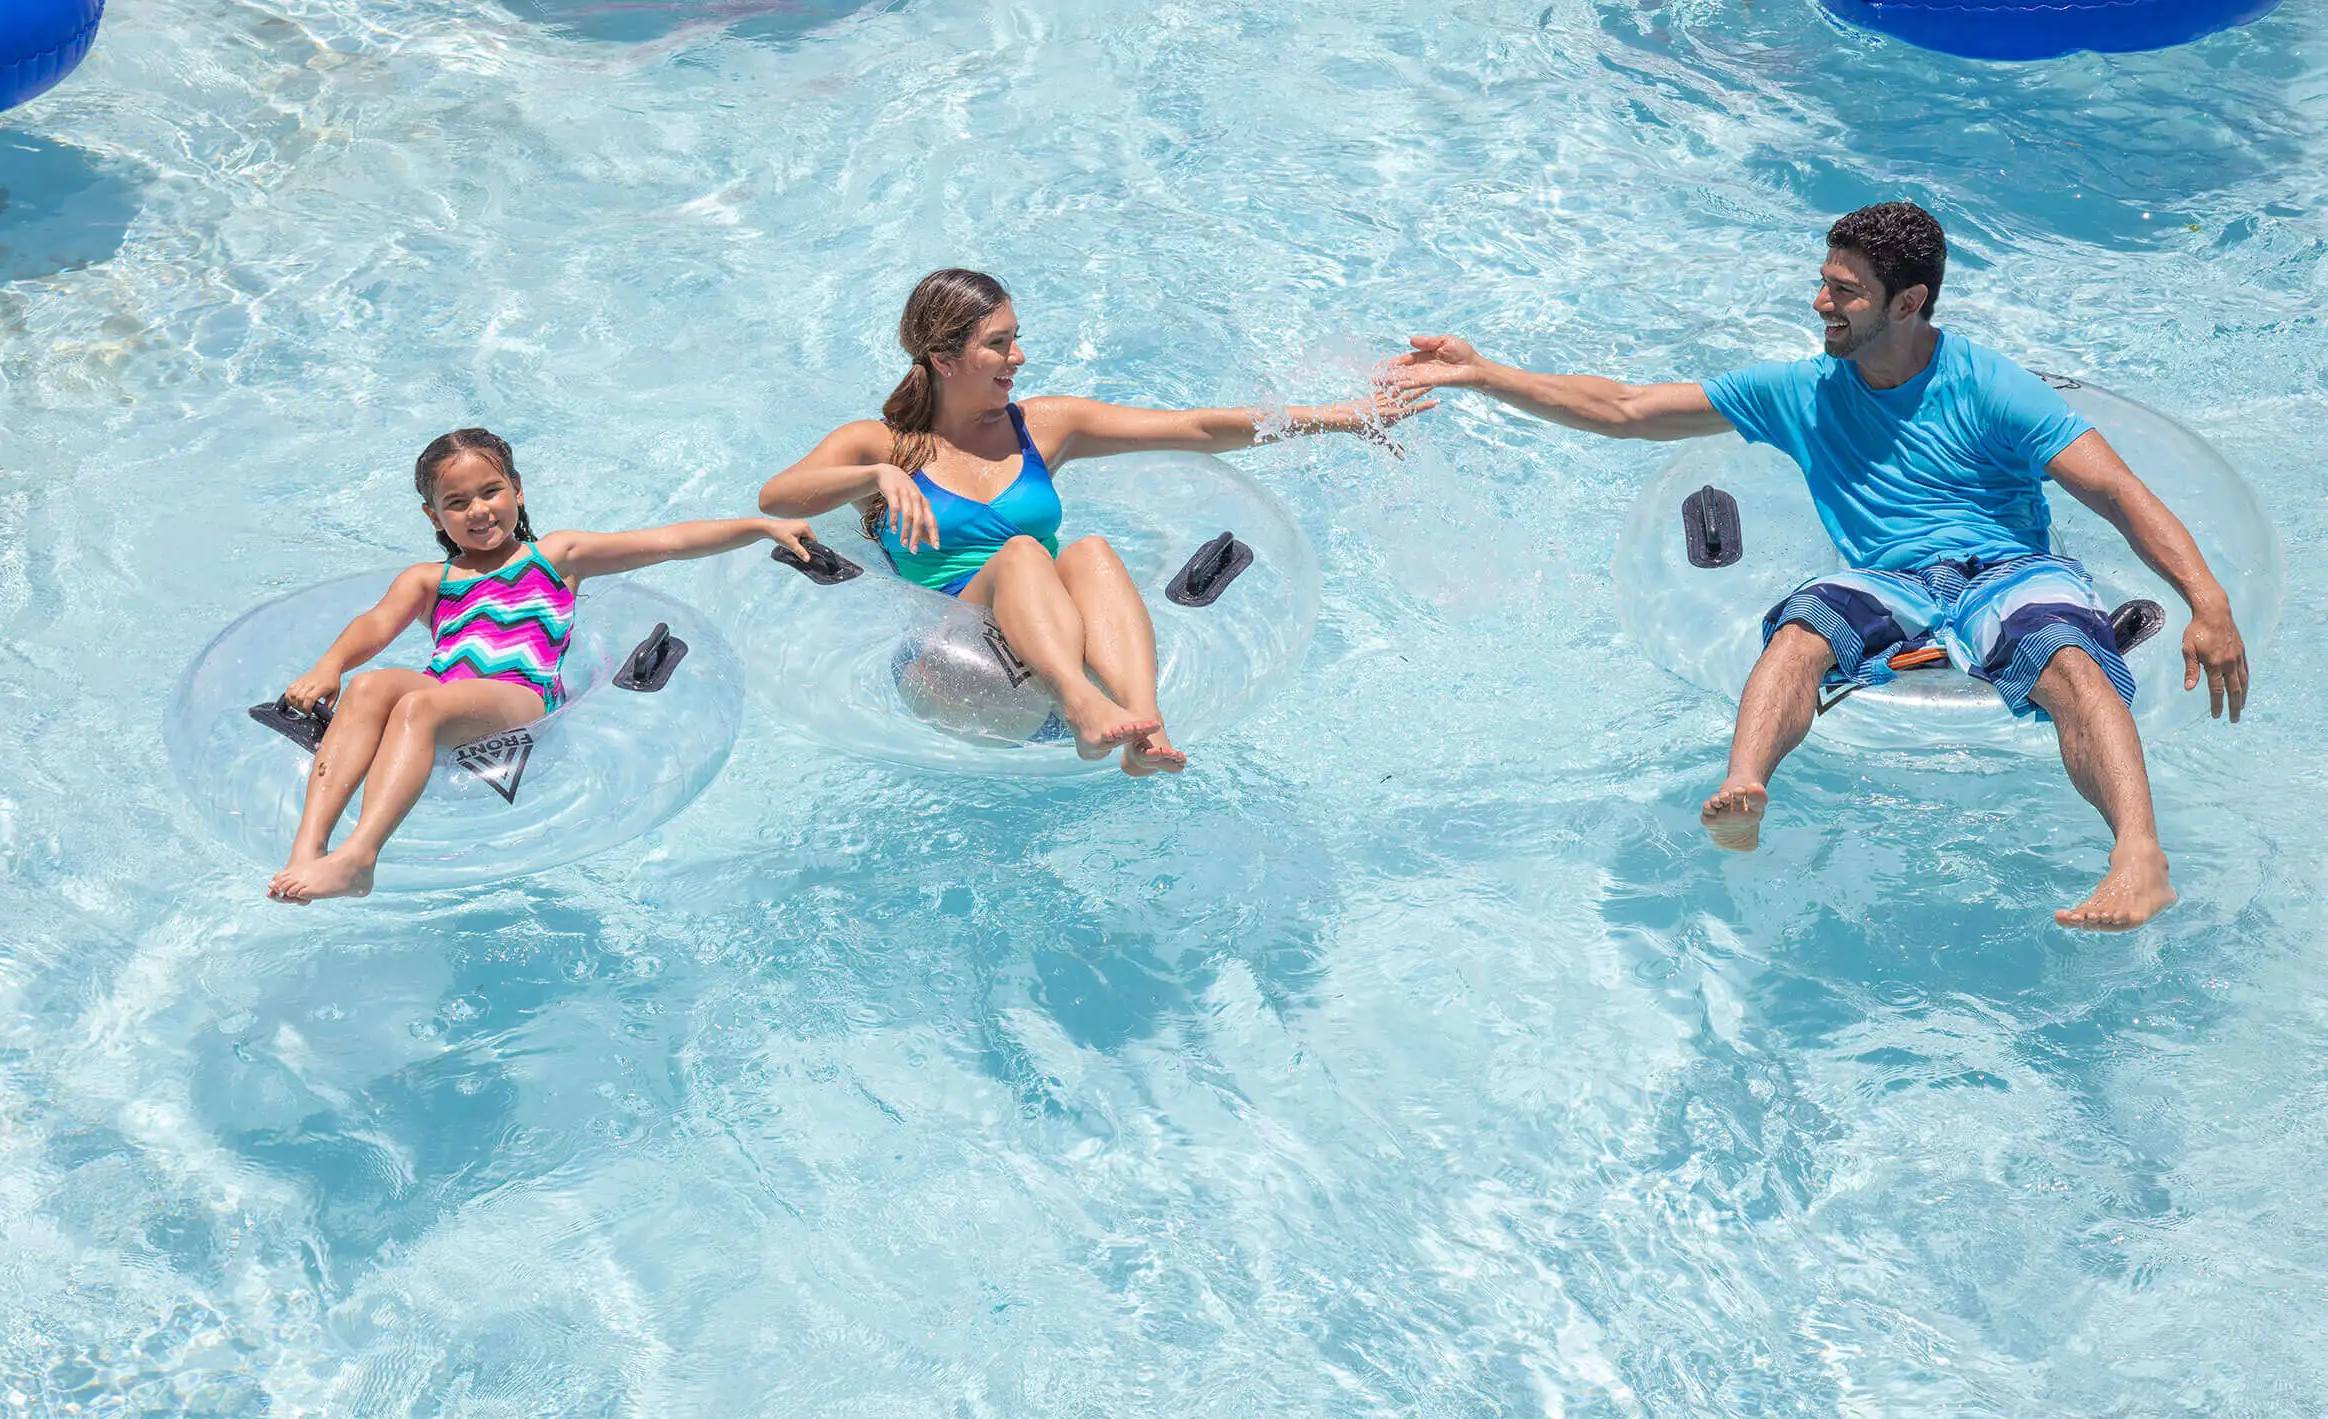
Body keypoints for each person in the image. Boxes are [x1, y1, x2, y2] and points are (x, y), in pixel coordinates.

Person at [1386, 202, 2250, 931]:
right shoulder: (1801, 390)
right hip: (1890, 577)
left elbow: (2121, 493)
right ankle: (1744, 786)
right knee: (1800, 630)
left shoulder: (1994, 387)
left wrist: (2206, 603)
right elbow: (1626, 408)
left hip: (2008, 566)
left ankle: (2140, 855)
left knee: (2067, 656)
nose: (1821, 303)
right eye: (1825, 283)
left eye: (1845, 291)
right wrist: (1484, 373)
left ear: (1907, 301)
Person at [758, 268, 1429, 775]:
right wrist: (874, 477)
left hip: (1048, 667)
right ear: (944, 359)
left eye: (1017, 339)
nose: (1018, 357)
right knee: (1024, 553)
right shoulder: (882, 443)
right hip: (956, 675)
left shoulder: (1043, 426)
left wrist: (1341, 418)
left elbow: (1195, 427)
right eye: (998, 344)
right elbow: (778, 500)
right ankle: (1085, 706)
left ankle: (1144, 729)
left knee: (1091, 552)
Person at [267, 428, 813, 903]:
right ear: (433, 514)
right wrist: (331, 665)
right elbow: (375, 624)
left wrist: (759, 527)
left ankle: (360, 857)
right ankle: (309, 847)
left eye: (491, 491)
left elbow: (666, 543)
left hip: (519, 695)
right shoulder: (428, 580)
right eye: (457, 503)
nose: (478, 510)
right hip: (448, 694)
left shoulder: (555, 556)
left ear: (518, 490)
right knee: (368, 687)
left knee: (419, 704)